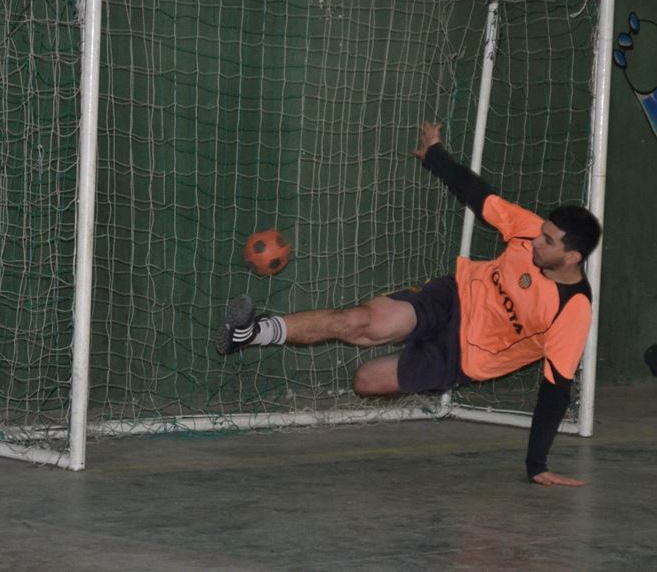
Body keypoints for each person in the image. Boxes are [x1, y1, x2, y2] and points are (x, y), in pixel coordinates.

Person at [215, 122, 601, 488]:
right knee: (359, 321)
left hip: (463, 357)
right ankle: (252, 333)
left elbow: (556, 389)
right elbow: (479, 195)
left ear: (573, 257)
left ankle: (423, 373)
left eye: (548, 242)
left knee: (365, 381)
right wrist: (435, 154)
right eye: (541, 233)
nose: (536, 241)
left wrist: (537, 465)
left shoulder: (573, 310)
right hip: (452, 297)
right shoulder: (530, 230)